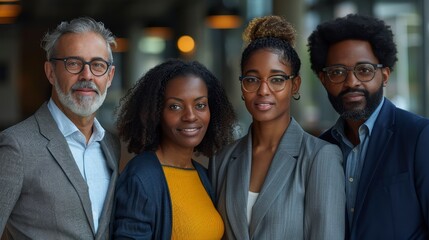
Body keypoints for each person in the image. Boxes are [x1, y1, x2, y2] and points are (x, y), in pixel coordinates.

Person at [209, 15, 345, 239]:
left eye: (277, 79)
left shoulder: (320, 157)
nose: (263, 90)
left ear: (295, 85)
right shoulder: (222, 160)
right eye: (252, 79)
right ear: (242, 86)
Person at [308, 13, 429, 239]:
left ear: (384, 75)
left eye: (364, 70)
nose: (351, 82)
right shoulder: (319, 148)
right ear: (323, 80)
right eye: (337, 72)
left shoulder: (419, 136)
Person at [0, 17, 120, 239]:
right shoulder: (16, 146)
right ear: (50, 72)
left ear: (109, 76)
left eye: (98, 65)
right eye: (73, 63)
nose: (87, 75)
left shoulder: (112, 146)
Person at [112, 58, 237, 239]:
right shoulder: (141, 178)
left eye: (200, 105)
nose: (190, 116)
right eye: (175, 106)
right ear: (156, 113)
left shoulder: (203, 175)